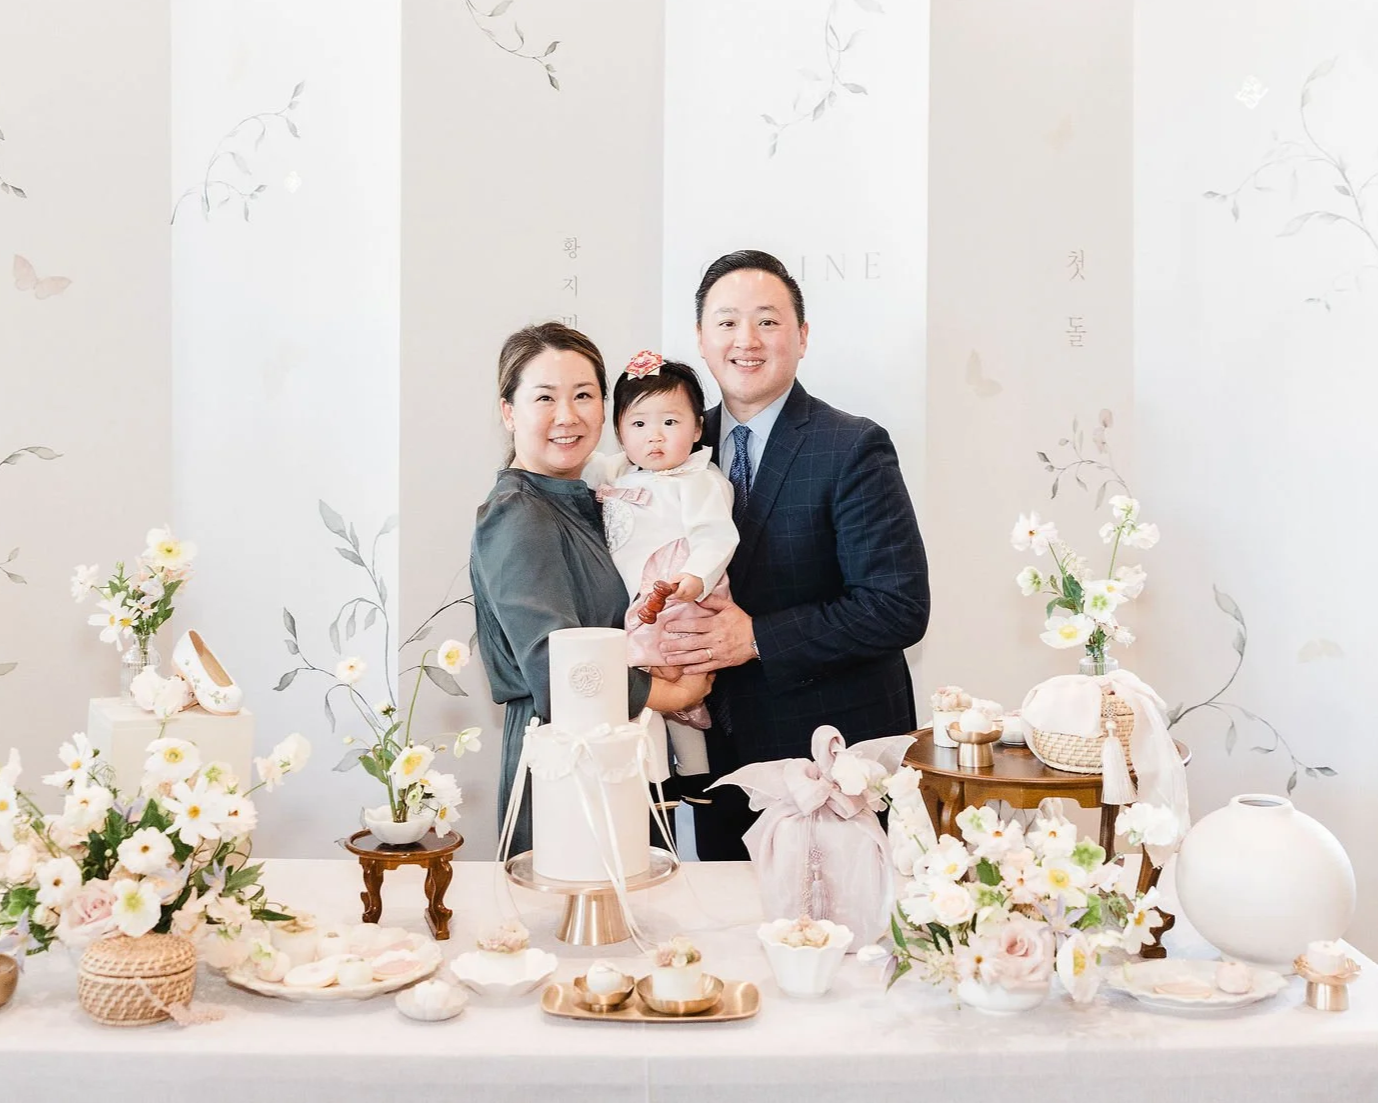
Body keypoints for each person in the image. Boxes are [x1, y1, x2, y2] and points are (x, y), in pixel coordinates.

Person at [663, 249, 930, 860]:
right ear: (701, 341)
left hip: (831, 754)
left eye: (768, 321)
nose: (746, 341)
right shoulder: (675, 446)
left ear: (802, 336)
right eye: (726, 323)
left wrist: (755, 637)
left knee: (842, 939)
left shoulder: (852, 445)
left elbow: (898, 607)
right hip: (718, 757)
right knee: (727, 932)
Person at [470, 322, 712, 856]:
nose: (567, 415)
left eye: (584, 395)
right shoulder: (518, 515)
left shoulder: (580, 499)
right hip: (566, 759)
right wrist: (680, 695)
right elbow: (557, 664)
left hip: (610, 746)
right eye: (545, 398)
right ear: (509, 412)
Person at [583, 352, 738, 794]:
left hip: (679, 598)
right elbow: (582, 466)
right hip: (637, 603)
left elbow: (716, 535)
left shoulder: (699, 481)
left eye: (670, 423)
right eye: (638, 425)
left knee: (670, 680)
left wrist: (696, 577)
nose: (654, 437)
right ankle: (659, 778)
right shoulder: (616, 471)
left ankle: (692, 773)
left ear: (697, 428)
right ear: (619, 432)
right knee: (647, 692)